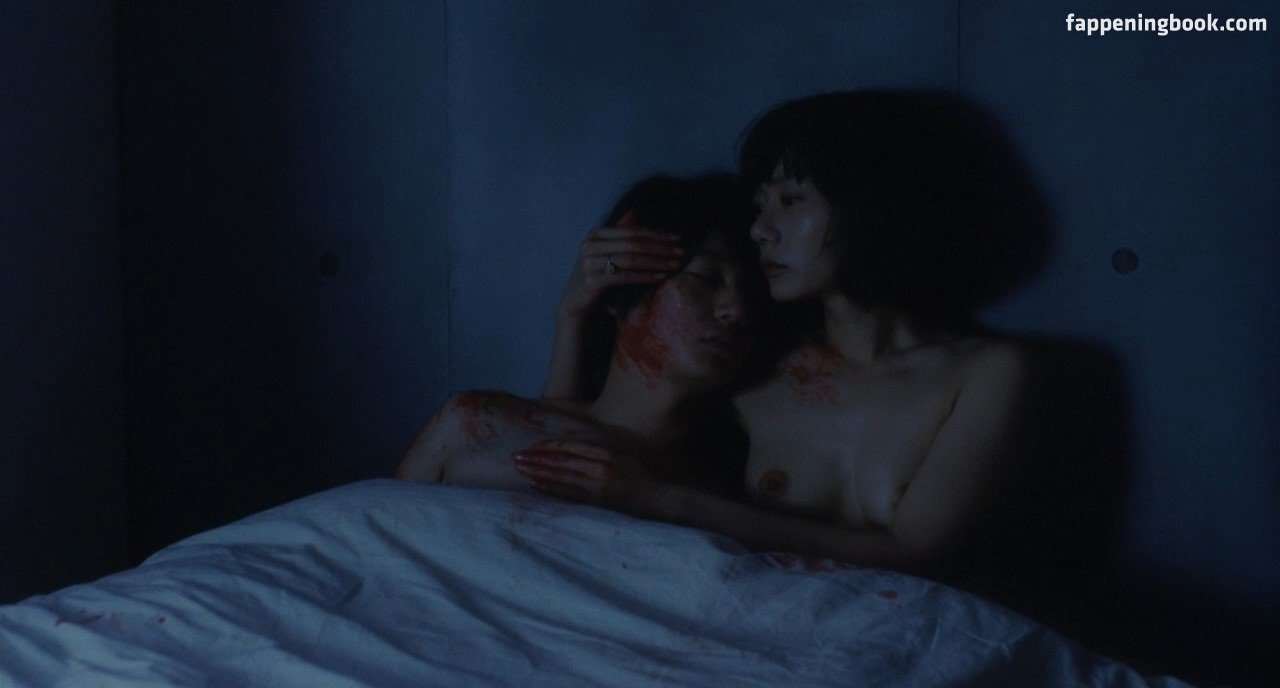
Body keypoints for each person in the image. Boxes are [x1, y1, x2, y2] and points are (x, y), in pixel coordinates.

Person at [525, 91, 1032, 580]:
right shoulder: (758, 366)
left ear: (869, 205)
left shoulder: (987, 371)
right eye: (761, 206)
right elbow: (585, 434)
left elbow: (914, 552)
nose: (760, 231)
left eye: (790, 200)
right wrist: (574, 314)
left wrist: (665, 501)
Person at [397, 174, 763, 497]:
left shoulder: (721, 492)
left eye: (751, 293)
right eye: (704, 278)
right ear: (620, 294)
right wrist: (576, 307)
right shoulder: (476, 424)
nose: (737, 311)